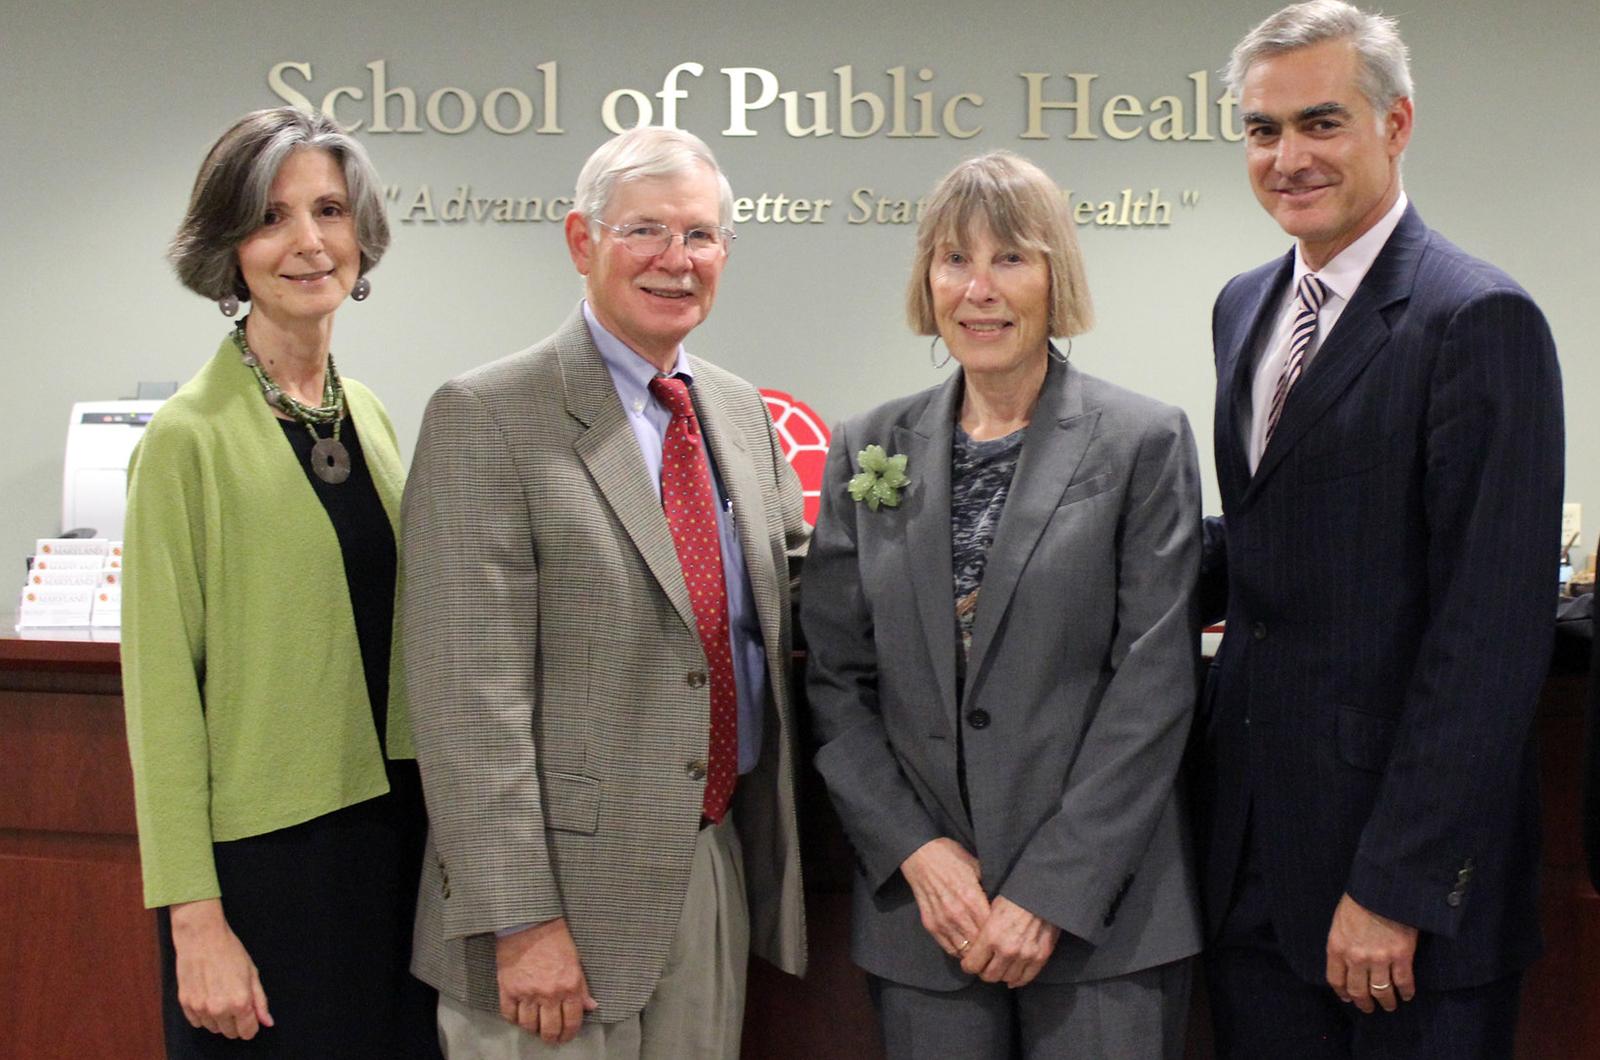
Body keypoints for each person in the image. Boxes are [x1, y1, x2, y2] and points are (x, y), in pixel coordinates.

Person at [1193, 2, 1565, 1055]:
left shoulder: (1476, 317)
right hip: (1251, 858)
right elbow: (1279, 537)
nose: (1287, 157)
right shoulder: (1242, 306)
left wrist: (1395, 886)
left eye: (1321, 122)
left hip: (1398, 892)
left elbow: (1488, 634)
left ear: (1394, 126)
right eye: (1262, 130)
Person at [401, 125, 808, 1058]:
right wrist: (520, 921)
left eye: (701, 236)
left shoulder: (738, 413)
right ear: (582, 242)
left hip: (708, 866)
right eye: (645, 232)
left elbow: (795, 584)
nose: (677, 260)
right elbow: (469, 704)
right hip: (554, 912)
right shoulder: (489, 414)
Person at [802, 150, 1202, 1059]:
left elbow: (1153, 685)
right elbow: (834, 679)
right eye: (954, 260)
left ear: (1055, 273)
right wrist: (916, 849)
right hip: (927, 919)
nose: (979, 288)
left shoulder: (1143, 440)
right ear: (927, 280)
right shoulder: (868, 444)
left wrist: (1050, 891)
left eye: (1011, 258)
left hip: (1103, 919)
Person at [121, 107, 439, 1057]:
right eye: (271, 217)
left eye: (331, 211)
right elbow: (162, 703)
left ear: (360, 235)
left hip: (391, 842)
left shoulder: (371, 415)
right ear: (230, 248)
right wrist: (194, 920)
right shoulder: (187, 438)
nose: (308, 241)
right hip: (266, 870)